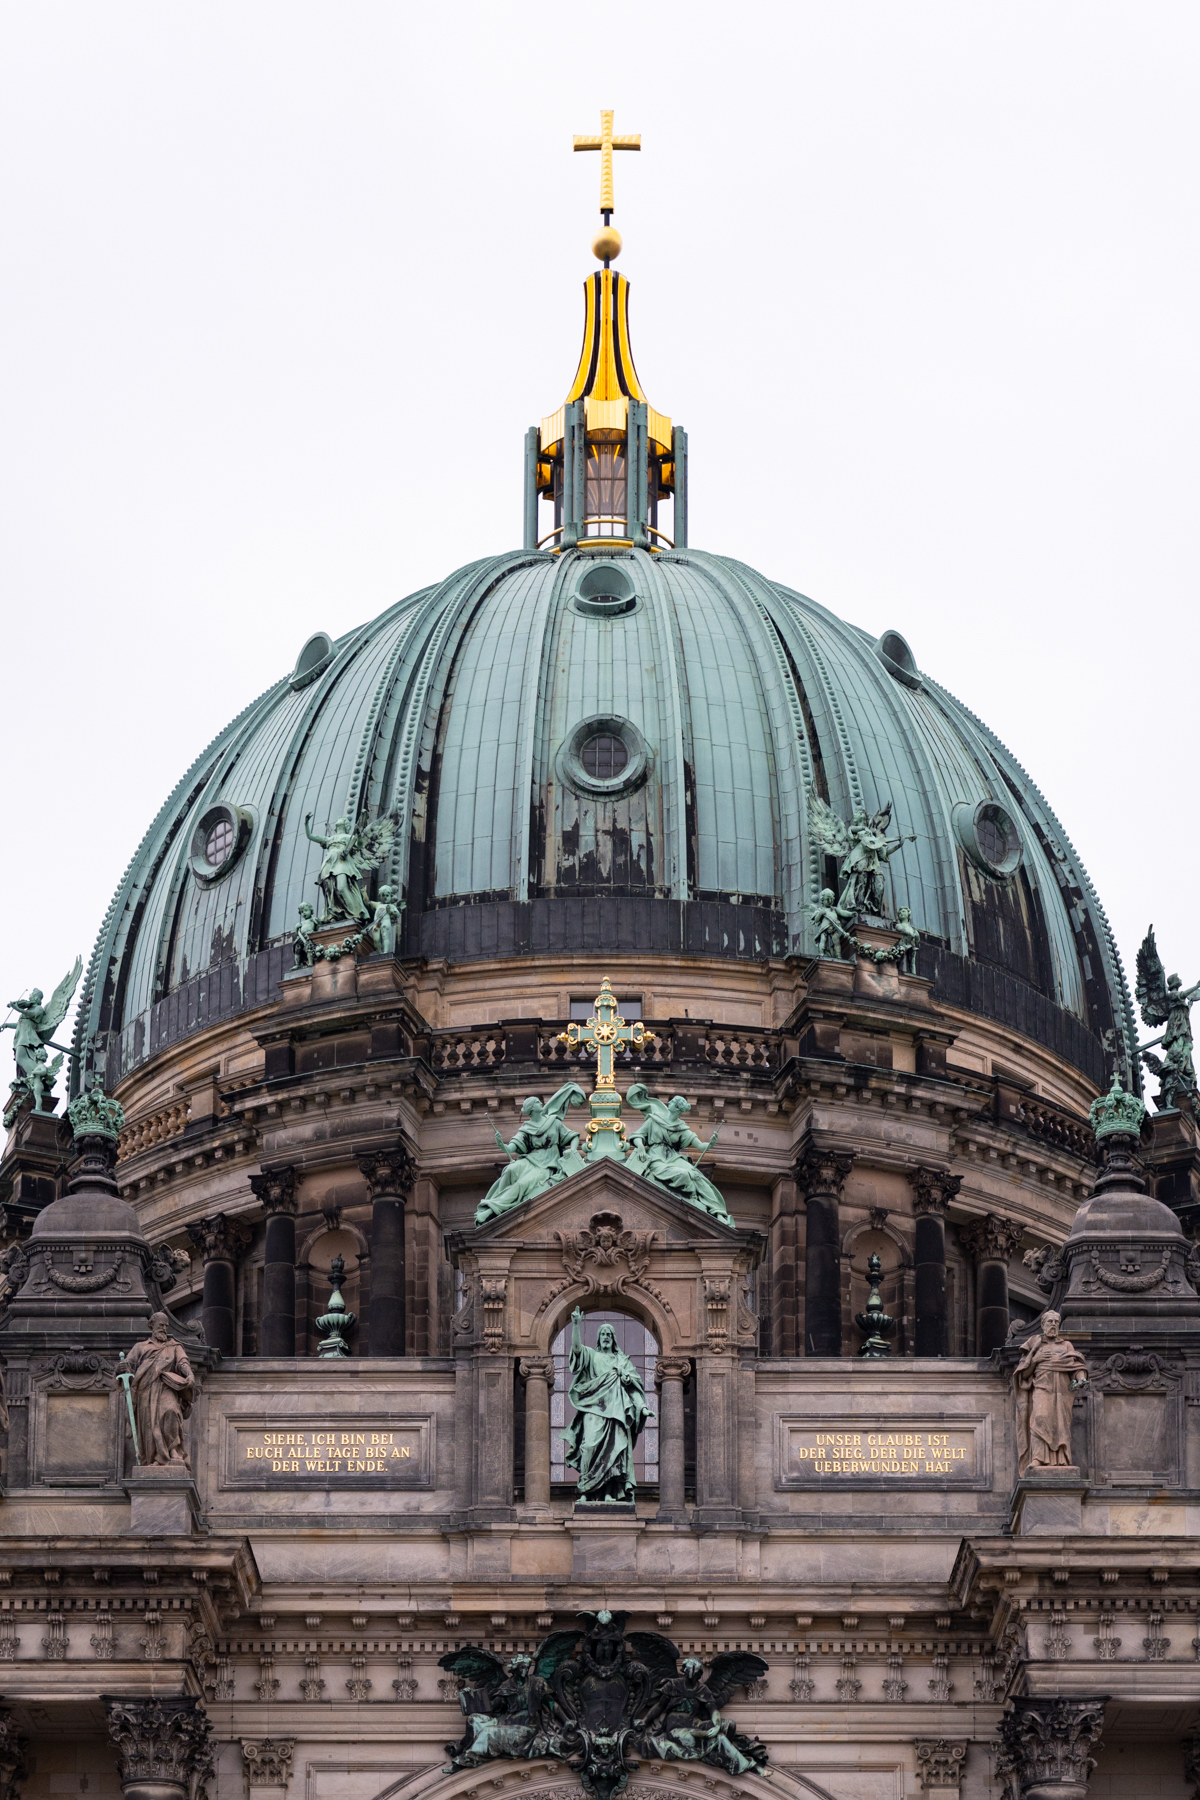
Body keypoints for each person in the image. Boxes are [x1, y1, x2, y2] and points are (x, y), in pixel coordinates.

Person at [561, 1309, 648, 1503]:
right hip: (594, 1409)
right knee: (589, 1446)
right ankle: (586, 1491)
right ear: (598, 1339)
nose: (606, 1337)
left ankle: (611, 1492)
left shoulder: (622, 1361)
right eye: (603, 1334)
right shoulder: (592, 1356)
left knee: (615, 1452)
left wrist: (642, 1407)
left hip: (617, 1413)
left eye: (609, 1334)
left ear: (614, 1339)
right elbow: (576, 1350)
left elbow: (634, 1388)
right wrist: (576, 1325)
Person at [474, 1083, 585, 1226]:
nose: (541, 1103)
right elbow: (512, 1147)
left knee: (522, 1183)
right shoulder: (526, 1129)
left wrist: (573, 1151)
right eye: (538, 1102)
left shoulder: (553, 1122)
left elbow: (572, 1137)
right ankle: (495, 1204)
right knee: (509, 1170)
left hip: (548, 1164)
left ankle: (493, 1209)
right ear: (533, 1109)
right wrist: (502, 1145)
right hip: (532, 1160)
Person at [624, 1086, 733, 1225]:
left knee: (699, 1177)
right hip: (656, 1158)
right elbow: (638, 1135)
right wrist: (640, 1146)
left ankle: (718, 1213)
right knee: (685, 1175)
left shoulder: (681, 1128)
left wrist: (710, 1144)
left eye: (672, 1102)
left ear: (677, 1108)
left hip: (673, 1158)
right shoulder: (654, 1120)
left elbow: (700, 1146)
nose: (669, 1103)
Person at [1012, 1310, 1088, 1474]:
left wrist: (1081, 1379)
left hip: (1062, 1392)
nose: (1053, 1324)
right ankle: (1037, 1458)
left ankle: (1062, 1459)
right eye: (1049, 1322)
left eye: (1055, 1322)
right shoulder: (1035, 1343)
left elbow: (1076, 1366)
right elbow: (1023, 1374)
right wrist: (1035, 1361)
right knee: (1039, 1419)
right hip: (1042, 1388)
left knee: (1061, 1425)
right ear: (1042, 1324)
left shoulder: (1066, 1345)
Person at [123, 1312, 195, 1467]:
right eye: (161, 1325)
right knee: (150, 1426)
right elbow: (128, 1366)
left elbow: (183, 1362)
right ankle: (156, 1458)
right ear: (152, 1325)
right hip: (145, 1391)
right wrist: (121, 1369)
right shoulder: (140, 1347)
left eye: (166, 1325)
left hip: (166, 1386)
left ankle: (173, 1450)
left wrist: (189, 1374)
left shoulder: (174, 1346)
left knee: (170, 1411)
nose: (164, 1328)